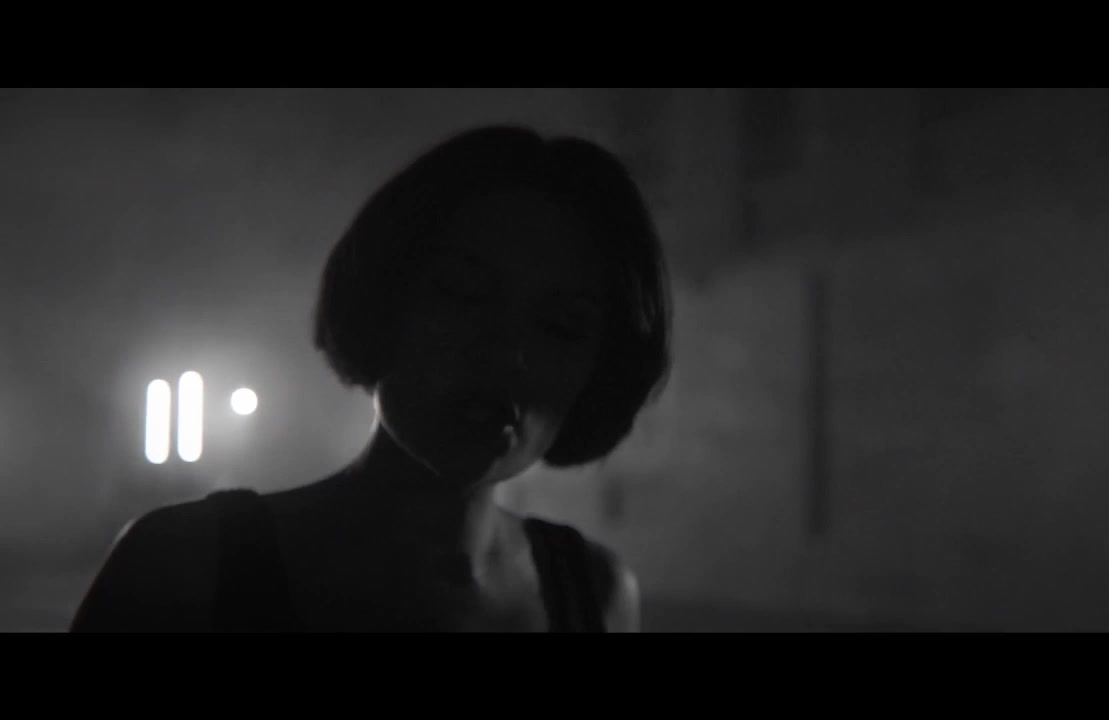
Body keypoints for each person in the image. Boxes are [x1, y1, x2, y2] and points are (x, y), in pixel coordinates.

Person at [70, 125, 672, 632]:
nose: (506, 354)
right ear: (386, 298)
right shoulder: (183, 568)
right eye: (463, 294)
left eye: (563, 327)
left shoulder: (592, 594)